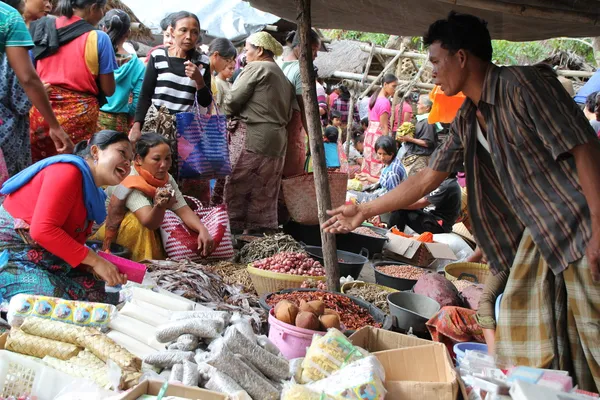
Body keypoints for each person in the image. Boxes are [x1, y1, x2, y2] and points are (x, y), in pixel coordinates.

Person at [323, 11, 600, 392]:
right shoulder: (469, 118)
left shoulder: (525, 87)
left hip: (581, 227)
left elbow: (585, 149)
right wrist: (365, 209)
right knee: (534, 350)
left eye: (436, 61)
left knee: (594, 340)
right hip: (539, 239)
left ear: (462, 57)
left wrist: (598, 228)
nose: (432, 72)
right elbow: (426, 177)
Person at [0, 130, 131, 303]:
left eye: (130, 160)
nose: (127, 163)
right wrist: (95, 262)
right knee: (59, 304)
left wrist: (96, 266)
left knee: (100, 294)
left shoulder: (92, 192)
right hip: (11, 252)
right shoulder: (67, 172)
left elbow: (68, 242)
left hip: (45, 256)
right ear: (95, 151)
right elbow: (42, 231)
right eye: (122, 153)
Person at [93, 133, 213, 261]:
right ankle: (143, 265)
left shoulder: (165, 178)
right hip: (108, 234)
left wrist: (202, 229)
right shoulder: (130, 181)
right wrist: (160, 206)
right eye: (157, 159)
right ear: (138, 159)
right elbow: (148, 222)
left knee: (179, 221)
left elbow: (182, 208)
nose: (164, 165)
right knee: (135, 222)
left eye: (167, 158)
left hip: (150, 223)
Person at [220, 32, 295, 233]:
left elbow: (232, 101)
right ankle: (257, 234)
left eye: (247, 49)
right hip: (277, 140)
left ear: (259, 50)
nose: (245, 55)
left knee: (238, 183)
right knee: (264, 191)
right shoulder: (282, 76)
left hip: (254, 136)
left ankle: (231, 234)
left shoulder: (257, 67)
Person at [29, 0, 117, 162]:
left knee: (36, 167)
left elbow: (27, 75)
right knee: (70, 168)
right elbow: (109, 89)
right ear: (93, 8)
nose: (103, 14)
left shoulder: (39, 28)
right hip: (79, 118)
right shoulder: (99, 38)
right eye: (102, 9)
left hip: (41, 112)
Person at [0, 0, 71, 179]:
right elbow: (25, 81)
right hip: (6, 126)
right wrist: (54, 125)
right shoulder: (9, 18)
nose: (48, 5)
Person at [130, 11, 213, 145]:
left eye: (194, 32)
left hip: (184, 131)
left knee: (177, 166)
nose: (189, 37)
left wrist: (199, 80)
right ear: (173, 31)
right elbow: (145, 94)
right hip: (154, 126)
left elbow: (205, 102)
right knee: (153, 163)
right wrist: (136, 125)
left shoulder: (203, 62)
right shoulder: (158, 56)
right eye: (183, 30)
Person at [426, 267, 509, 357]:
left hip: (521, 336)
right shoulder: (507, 262)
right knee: (447, 315)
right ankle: (449, 361)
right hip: (501, 325)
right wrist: (493, 349)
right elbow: (486, 300)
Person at [280, 29, 321, 177]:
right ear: (300, 47)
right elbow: (305, 109)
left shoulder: (279, 63)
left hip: (278, 126)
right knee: (291, 175)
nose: (315, 56)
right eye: (313, 50)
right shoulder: (300, 70)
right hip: (291, 126)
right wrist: (312, 137)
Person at [96, 10, 145, 133]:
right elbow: (137, 100)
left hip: (94, 116)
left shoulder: (96, 56)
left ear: (103, 29)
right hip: (119, 122)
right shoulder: (138, 65)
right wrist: (128, 117)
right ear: (128, 33)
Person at [388, 173, 461, 234]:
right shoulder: (441, 181)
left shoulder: (447, 185)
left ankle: (390, 235)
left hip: (438, 224)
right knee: (402, 205)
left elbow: (420, 203)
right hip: (429, 216)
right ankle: (394, 233)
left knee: (400, 209)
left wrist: (396, 205)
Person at [361, 74, 398, 179]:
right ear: (385, 84)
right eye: (393, 86)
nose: (395, 89)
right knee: (379, 163)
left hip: (369, 135)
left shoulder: (374, 98)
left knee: (369, 162)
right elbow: (384, 126)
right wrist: (388, 143)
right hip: (378, 136)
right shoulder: (384, 102)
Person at [353, 136, 406, 203]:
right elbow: (385, 183)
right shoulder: (392, 161)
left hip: (385, 201)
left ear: (392, 153)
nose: (382, 157)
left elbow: (393, 198)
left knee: (351, 195)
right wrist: (368, 178)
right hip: (382, 195)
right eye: (379, 154)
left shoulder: (392, 172)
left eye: (385, 154)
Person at [399, 94, 439, 176]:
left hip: (421, 158)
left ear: (427, 107)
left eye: (419, 104)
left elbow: (427, 143)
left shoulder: (428, 122)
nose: (417, 106)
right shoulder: (422, 120)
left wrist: (410, 139)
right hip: (415, 156)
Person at [206, 38, 237, 110]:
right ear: (216, 55)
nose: (226, 64)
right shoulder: (204, 74)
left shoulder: (211, 76)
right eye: (227, 60)